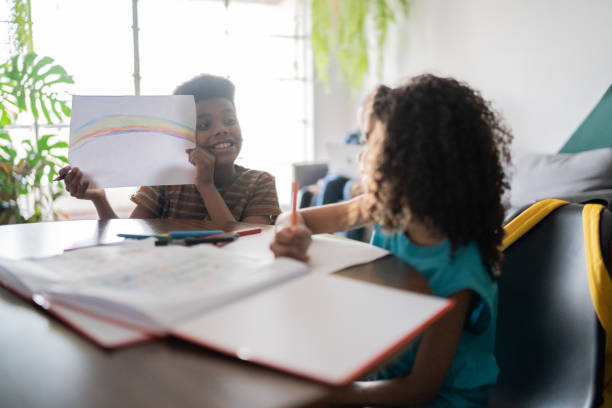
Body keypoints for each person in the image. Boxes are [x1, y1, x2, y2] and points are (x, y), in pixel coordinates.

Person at [270, 74, 512, 407]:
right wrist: (291, 230)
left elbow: (420, 389)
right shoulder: (385, 208)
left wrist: (333, 395)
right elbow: (304, 219)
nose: (360, 158)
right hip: (380, 374)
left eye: (373, 145)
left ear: (413, 164)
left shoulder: (460, 271)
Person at [58, 74, 281, 224]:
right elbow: (126, 239)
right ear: (184, 136)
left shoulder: (260, 183)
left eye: (229, 120)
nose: (222, 130)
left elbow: (250, 248)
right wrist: (99, 199)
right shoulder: (165, 182)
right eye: (204, 125)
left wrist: (206, 185)